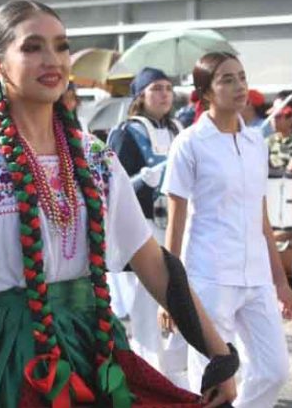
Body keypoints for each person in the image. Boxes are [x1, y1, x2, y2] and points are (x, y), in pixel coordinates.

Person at [0, 0, 237, 407]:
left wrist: (219, 355)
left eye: (61, 46)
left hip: (91, 353)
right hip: (3, 361)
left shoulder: (96, 158)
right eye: (32, 47)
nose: (52, 59)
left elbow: (155, 265)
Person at [161, 51, 292, 407]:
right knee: (210, 378)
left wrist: (280, 281)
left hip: (255, 276)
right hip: (208, 274)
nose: (239, 86)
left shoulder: (256, 142)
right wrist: (171, 290)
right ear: (205, 92)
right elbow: (176, 219)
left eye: (241, 77)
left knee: (274, 370)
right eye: (226, 79)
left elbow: (262, 217)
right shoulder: (189, 143)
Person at [107, 66, 187, 386]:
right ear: (140, 96)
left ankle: (178, 369)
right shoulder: (126, 132)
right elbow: (113, 182)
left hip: (178, 223)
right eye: (156, 88)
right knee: (147, 301)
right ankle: (148, 369)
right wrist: (141, 179)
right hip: (145, 225)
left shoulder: (181, 129)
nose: (165, 94)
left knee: (181, 295)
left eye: (168, 88)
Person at [266, 100, 292, 174]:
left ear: (291, 119)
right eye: (272, 116)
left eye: (278, 116)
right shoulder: (268, 141)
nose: (273, 120)